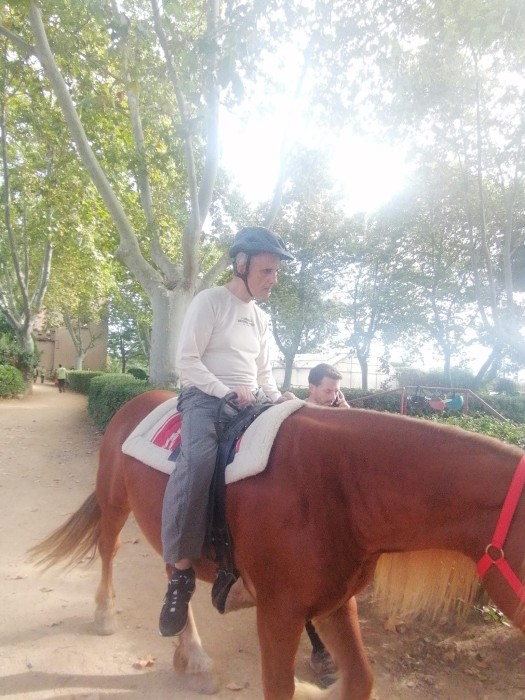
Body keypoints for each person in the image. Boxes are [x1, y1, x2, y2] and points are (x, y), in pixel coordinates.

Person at [159, 226, 295, 639]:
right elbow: (187, 361)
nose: (273, 279)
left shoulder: (262, 318)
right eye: (267, 271)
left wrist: (280, 398)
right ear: (241, 265)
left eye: (275, 272)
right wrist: (224, 391)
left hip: (250, 401)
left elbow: (263, 373)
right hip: (204, 399)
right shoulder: (210, 301)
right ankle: (181, 573)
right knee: (199, 462)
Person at [304, 362, 350, 687]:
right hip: (304, 513)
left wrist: (347, 413)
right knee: (307, 580)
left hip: (333, 513)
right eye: (328, 390)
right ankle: (320, 650)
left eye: (336, 390)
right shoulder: (297, 414)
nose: (333, 395)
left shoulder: (338, 412)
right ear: (312, 387)